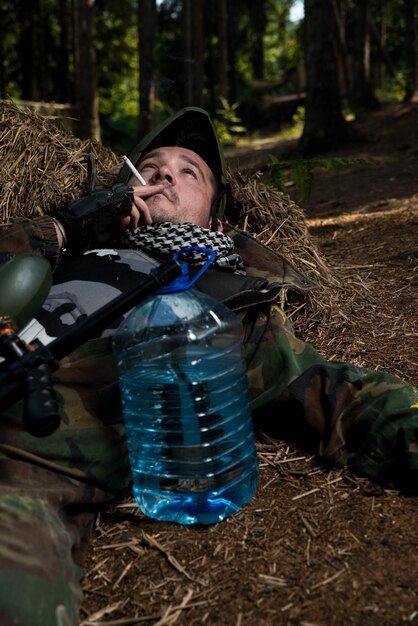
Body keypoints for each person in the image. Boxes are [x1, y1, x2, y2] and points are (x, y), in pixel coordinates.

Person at [0, 107, 417, 626]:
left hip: (27, 468)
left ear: (216, 220)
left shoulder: (223, 306)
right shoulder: (58, 250)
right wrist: (67, 226)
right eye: (149, 166)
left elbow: (341, 394)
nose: (163, 174)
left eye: (188, 171)